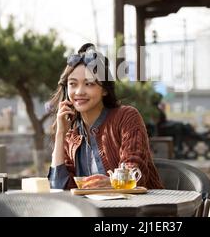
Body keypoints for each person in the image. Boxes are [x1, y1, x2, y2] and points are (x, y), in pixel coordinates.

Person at [47, 43, 164, 190]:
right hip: (91, 211)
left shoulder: (126, 117)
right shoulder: (71, 135)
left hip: (137, 210)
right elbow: (59, 186)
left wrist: (111, 183)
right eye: (73, 84)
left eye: (89, 84)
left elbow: (135, 171)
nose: (79, 92)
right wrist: (60, 134)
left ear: (104, 89)